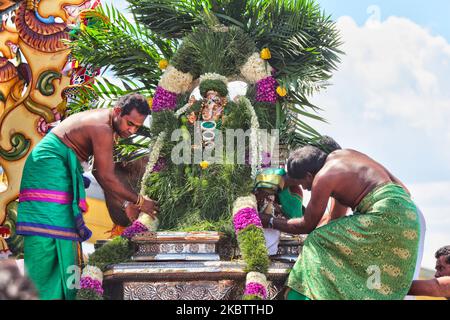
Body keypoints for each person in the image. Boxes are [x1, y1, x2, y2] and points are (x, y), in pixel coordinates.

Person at [16, 93, 159, 300]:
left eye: (137, 127)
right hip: (49, 168)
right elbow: (105, 175)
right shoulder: (102, 128)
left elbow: (101, 174)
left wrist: (127, 202)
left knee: (65, 235)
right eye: (130, 123)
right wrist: (140, 201)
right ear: (118, 111)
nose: (132, 130)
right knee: (50, 236)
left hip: (56, 169)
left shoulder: (108, 125)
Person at [259, 146, 423, 300]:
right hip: (409, 216)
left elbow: (306, 226)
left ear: (309, 175)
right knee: (332, 241)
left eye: (303, 183)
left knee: (317, 240)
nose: (305, 188)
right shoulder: (347, 156)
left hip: (383, 215)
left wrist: (269, 220)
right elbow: (334, 219)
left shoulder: (323, 177)